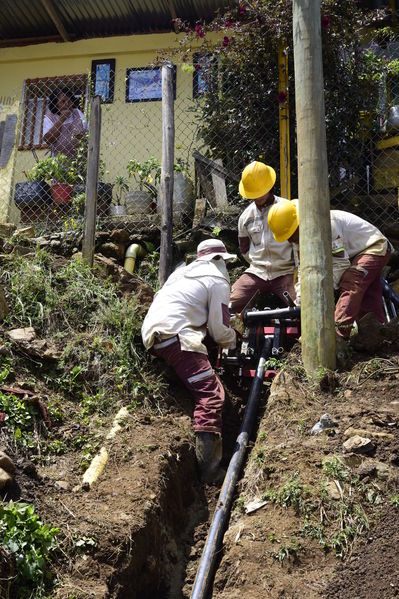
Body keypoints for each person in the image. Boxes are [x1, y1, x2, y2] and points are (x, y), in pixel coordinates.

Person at [141, 239, 237, 484]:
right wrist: (233, 339)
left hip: (154, 334)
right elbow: (219, 328)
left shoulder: (181, 273)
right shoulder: (217, 279)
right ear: (220, 260)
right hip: (177, 336)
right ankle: (210, 471)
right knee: (211, 395)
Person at [267, 199, 392, 344]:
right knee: (368, 301)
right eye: (287, 238)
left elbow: (340, 264)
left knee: (352, 282)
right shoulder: (298, 238)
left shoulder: (328, 224)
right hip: (354, 255)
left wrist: (319, 292)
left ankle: (337, 335)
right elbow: (303, 268)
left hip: (374, 247)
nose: (290, 241)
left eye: (291, 235)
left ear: (299, 224)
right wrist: (302, 295)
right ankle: (377, 338)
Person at [230, 161, 296, 313]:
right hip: (257, 272)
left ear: (269, 186)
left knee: (301, 305)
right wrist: (257, 263)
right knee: (229, 304)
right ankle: (233, 335)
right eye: (254, 193)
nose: (258, 196)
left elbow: (297, 242)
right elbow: (244, 250)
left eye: (261, 191)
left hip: (285, 271)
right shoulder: (245, 217)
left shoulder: (288, 208)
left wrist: (296, 270)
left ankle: (300, 336)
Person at [43, 87, 87, 159]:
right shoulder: (49, 118)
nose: (67, 104)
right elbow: (49, 140)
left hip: (79, 161)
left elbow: (87, 133)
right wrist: (61, 119)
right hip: (59, 162)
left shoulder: (77, 113)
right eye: (63, 102)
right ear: (55, 104)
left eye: (69, 101)